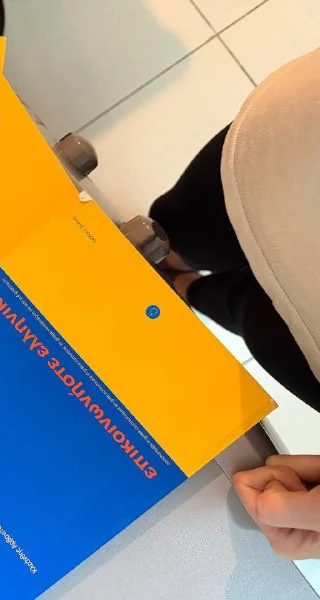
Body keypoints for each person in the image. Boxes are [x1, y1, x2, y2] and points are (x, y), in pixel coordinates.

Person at [149, 47, 320, 559]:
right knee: (194, 225)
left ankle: (181, 284)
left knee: (264, 318)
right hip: (299, 153)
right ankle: (172, 260)